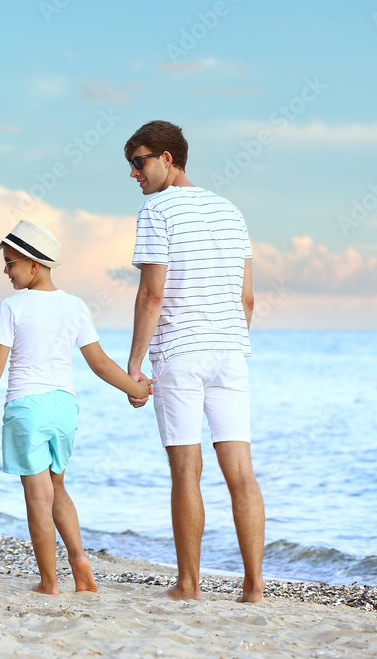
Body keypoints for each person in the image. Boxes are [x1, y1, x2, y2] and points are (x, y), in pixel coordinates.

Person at [0, 220, 153, 595]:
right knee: (57, 486)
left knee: (37, 496)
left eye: (10, 262)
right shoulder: (75, 306)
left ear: (34, 264)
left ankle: (49, 582)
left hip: (27, 408)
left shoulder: (11, 307)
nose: (5, 270)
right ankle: (79, 559)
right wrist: (135, 388)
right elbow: (99, 363)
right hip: (64, 408)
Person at [123, 120, 265, 603]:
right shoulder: (231, 211)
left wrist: (134, 365)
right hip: (231, 353)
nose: (134, 174)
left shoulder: (156, 211)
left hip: (180, 353)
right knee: (241, 472)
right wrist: (228, 339)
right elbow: (247, 297)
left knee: (186, 471)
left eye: (139, 162)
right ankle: (254, 588)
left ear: (168, 158)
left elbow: (152, 292)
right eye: (130, 166)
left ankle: (189, 584)